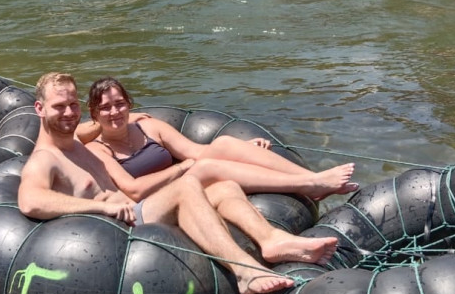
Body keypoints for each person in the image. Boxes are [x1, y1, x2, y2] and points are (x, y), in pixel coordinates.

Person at [16, 73, 297, 294]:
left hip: (139, 209)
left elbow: (95, 126)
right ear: (39, 109)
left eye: (73, 105)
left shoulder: (75, 142)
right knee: (187, 185)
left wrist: (130, 117)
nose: (68, 113)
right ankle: (245, 271)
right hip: (121, 229)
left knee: (224, 187)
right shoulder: (44, 159)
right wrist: (98, 208)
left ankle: (272, 240)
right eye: (59, 107)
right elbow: (30, 200)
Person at [82, 77, 358, 204]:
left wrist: (240, 151)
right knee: (203, 168)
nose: (114, 112)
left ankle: (314, 180)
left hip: (184, 180)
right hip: (155, 200)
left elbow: (198, 151)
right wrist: (182, 167)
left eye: (119, 104)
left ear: (129, 104)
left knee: (223, 144)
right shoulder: (97, 149)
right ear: (94, 114)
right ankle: (307, 185)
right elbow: (133, 190)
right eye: (105, 108)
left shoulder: (149, 127)